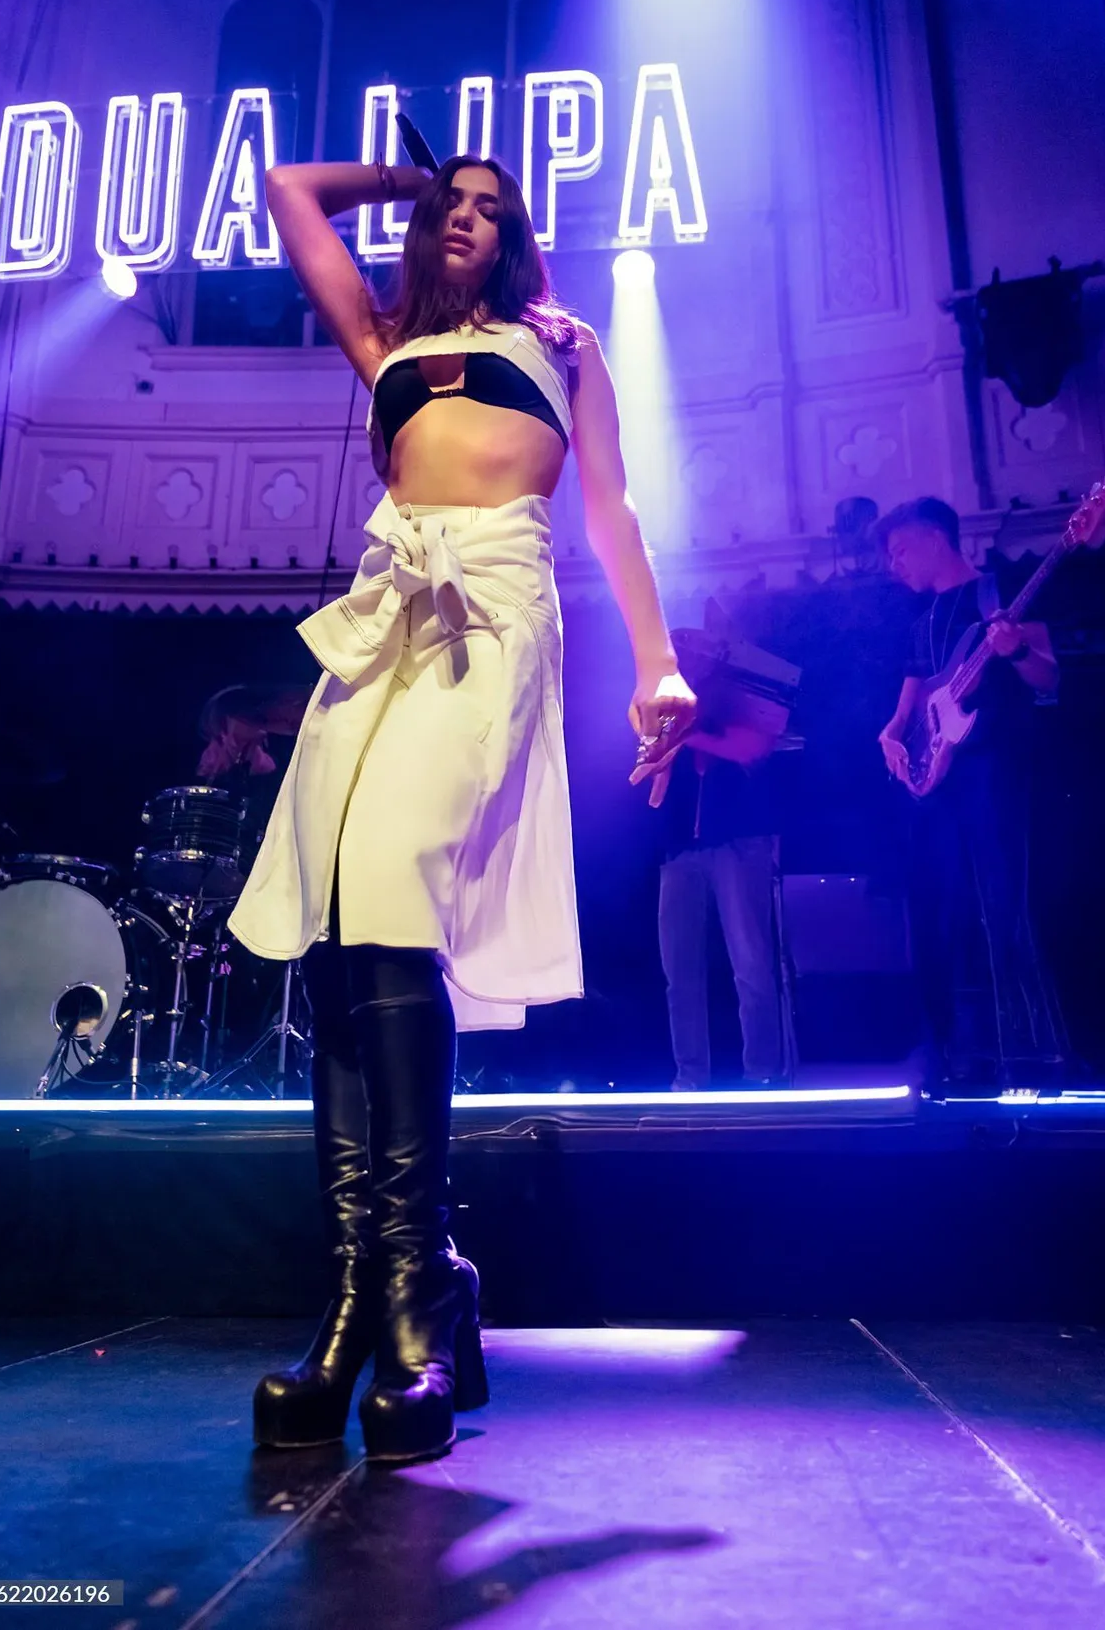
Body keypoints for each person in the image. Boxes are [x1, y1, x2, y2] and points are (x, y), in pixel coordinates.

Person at [228, 148, 695, 1466]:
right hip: (381, 617)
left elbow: (610, 505)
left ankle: (414, 1290)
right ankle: (368, 1292)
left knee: (390, 889)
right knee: (341, 930)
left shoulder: (563, 342)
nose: (472, 221)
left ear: (516, 237)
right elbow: (289, 191)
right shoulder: (381, 337)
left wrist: (657, 660)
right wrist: (409, 176)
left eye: (495, 210)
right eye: (458, 203)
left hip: (491, 616)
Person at [875, 497, 1069, 1094]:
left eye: (901, 550)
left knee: (1004, 906)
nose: (894, 565)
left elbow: (1048, 676)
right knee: (948, 915)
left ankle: (1033, 1056)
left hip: (994, 768)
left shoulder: (997, 592)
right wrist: (891, 735)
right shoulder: (920, 623)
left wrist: (1015, 651)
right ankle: (964, 1052)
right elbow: (910, 705)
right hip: (939, 782)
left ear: (937, 538)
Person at [654, 671, 794, 1091]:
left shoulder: (745, 703)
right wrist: (666, 745)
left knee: (751, 964)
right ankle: (689, 1077)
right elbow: (654, 784)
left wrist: (686, 736)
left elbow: (752, 746)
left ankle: (762, 1072)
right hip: (681, 849)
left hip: (740, 843)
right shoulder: (669, 714)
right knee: (679, 971)